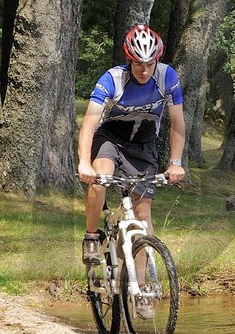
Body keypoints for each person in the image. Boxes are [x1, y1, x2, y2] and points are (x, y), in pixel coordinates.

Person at [77, 24, 186, 295]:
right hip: (110, 140)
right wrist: (84, 163)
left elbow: (177, 124)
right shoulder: (112, 79)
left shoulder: (167, 77)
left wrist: (176, 162)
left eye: (150, 64)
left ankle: (141, 288)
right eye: (138, 64)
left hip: (143, 146)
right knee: (100, 180)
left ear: (157, 60)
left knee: (143, 215)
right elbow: (89, 124)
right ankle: (92, 236)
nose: (145, 70)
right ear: (129, 60)